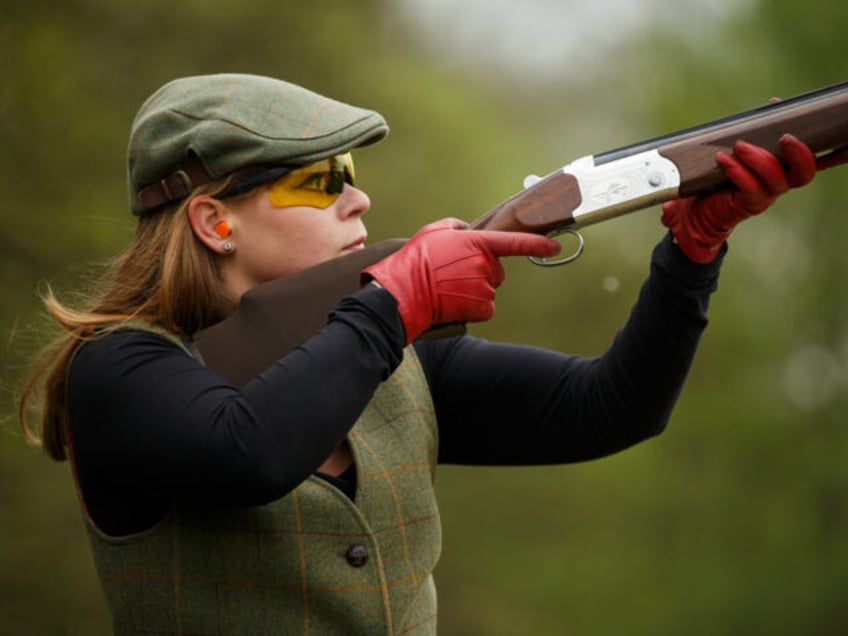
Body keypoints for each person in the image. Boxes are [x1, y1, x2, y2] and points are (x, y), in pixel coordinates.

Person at [18, 73, 821, 635]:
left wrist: (693, 252)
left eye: (354, 175)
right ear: (213, 222)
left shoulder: (394, 362)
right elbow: (247, 453)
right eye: (322, 180)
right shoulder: (118, 369)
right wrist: (393, 302)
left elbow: (613, 408)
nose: (359, 196)